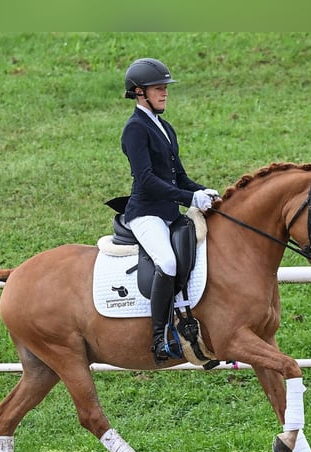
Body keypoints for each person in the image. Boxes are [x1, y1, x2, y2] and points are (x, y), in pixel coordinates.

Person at [120, 57, 219, 364]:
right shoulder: (135, 130)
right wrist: (189, 198)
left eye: (165, 88)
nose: (164, 93)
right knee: (167, 261)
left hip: (169, 213)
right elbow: (147, 180)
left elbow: (179, 176)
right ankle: (160, 337)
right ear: (140, 93)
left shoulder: (165, 127)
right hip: (146, 213)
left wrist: (203, 191)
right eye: (158, 88)